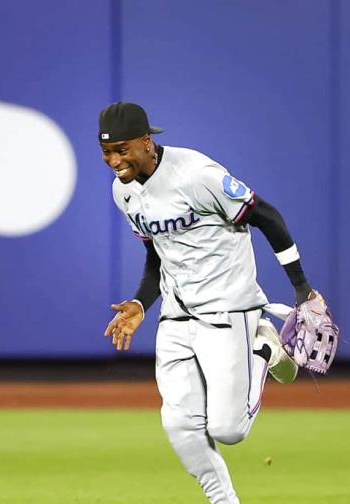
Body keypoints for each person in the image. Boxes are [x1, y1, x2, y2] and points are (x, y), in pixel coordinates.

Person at [100, 102, 316, 503]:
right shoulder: (123, 191)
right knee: (178, 423)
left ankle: (264, 346)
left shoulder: (197, 175)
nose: (115, 160)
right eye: (108, 152)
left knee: (228, 430)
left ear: (147, 143)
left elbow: (267, 217)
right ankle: (223, 500)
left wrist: (300, 287)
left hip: (228, 309)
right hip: (176, 316)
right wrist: (140, 303)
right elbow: (157, 253)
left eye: (123, 149)